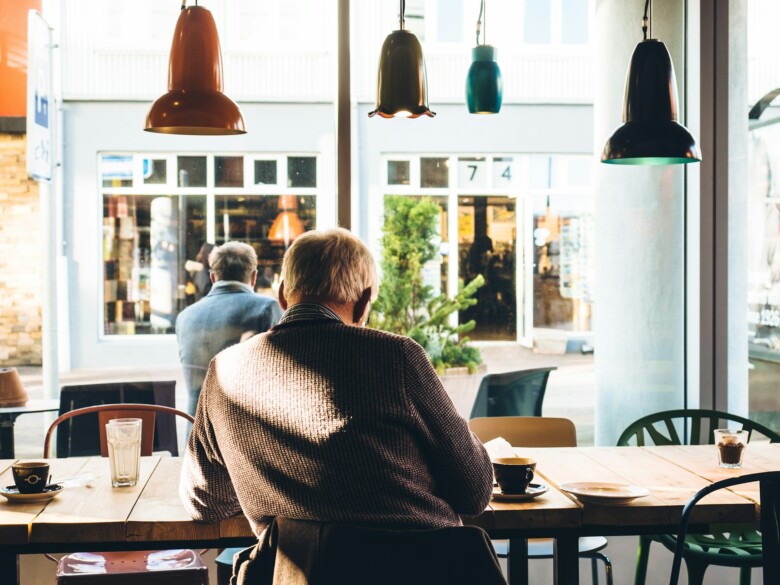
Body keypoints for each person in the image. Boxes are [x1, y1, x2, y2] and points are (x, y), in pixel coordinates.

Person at [179, 227, 493, 535]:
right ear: (364, 301)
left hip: (298, 573)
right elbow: (474, 492)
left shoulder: (225, 371)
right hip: (422, 568)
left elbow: (205, 502)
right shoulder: (397, 357)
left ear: (282, 295)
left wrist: (270, 482)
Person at [175, 241, 283, 416]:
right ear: (254, 277)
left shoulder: (185, 316)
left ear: (212, 277)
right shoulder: (266, 308)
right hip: (242, 432)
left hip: (195, 432)